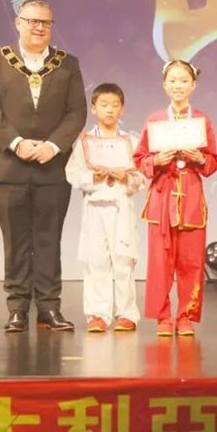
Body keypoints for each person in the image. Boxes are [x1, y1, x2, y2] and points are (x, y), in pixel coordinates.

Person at [0, 0, 87, 333]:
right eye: (33, 21)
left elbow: (76, 112)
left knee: (49, 238)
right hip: (8, 168)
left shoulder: (67, 63)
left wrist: (53, 146)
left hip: (53, 167)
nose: (39, 27)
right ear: (18, 22)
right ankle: (17, 309)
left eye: (46, 22)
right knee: (15, 240)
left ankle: (49, 308)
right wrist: (17, 143)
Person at [133, 60, 217, 337]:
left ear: (193, 85)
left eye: (184, 80)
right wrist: (156, 160)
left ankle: (186, 316)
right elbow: (140, 158)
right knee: (160, 261)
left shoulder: (202, 120)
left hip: (191, 196)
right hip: (162, 196)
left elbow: (213, 161)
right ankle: (162, 317)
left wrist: (199, 158)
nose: (178, 85)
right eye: (173, 80)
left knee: (191, 261)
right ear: (164, 84)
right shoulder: (155, 119)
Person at [65, 83, 147, 333]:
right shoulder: (85, 142)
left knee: (123, 260)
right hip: (95, 207)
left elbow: (142, 177)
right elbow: (72, 174)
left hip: (121, 207)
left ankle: (126, 314)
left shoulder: (131, 141)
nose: (109, 110)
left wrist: (126, 178)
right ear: (94, 108)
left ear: (122, 109)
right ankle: (97, 315)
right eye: (104, 105)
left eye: (114, 105)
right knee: (96, 261)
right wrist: (94, 177)